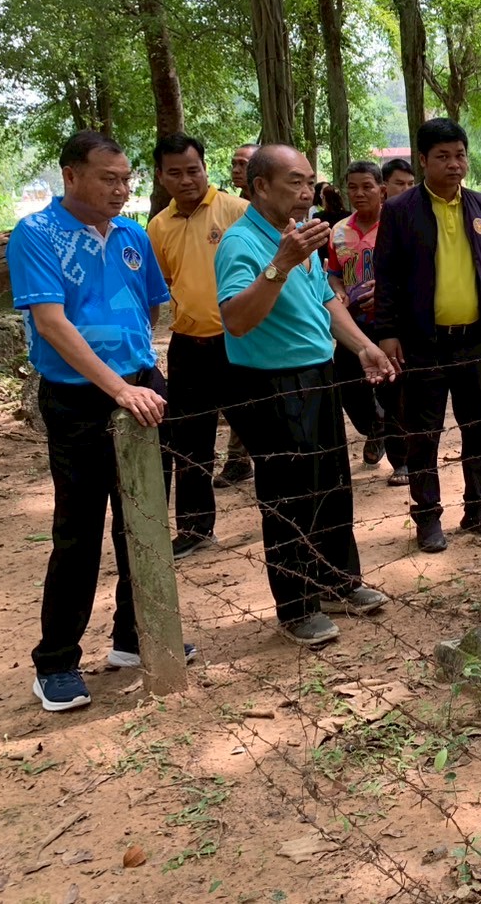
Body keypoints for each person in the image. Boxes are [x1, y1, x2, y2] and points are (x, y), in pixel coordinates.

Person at [8, 130, 189, 711]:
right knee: (79, 529)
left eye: (125, 178)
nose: (121, 189)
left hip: (142, 389)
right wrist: (116, 386)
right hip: (79, 401)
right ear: (71, 175)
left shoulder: (133, 234)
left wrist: (138, 374)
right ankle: (56, 662)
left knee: (144, 518)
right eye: (108, 178)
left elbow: (150, 305)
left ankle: (134, 637)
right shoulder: (37, 234)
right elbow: (52, 322)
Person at [216, 144, 395, 645]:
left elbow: (325, 301)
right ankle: (296, 606)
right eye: (294, 181)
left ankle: (337, 582)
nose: (306, 191)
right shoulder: (240, 243)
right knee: (288, 495)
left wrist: (363, 348)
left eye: (310, 181)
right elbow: (236, 319)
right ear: (260, 187)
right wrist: (280, 264)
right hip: (270, 383)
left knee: (332, 484)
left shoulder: (299, 234)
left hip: (318, 374)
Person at [373, 118, 481, 553]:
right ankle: (427, 517)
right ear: (423, 160)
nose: (454, 164)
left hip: (474, 341)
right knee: (424, 434)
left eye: (460, 155)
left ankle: (479, 508)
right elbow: (387, 276)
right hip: (423, 343)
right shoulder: (400, 211)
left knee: (477, 427)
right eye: (443, 156)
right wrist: (387, 332)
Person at [146, 133, 248, 559]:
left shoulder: (237, 210)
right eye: (175, 173)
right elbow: (166, 281)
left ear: (206, 168)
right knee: (189, 442)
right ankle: (195, 528)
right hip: (187, 346)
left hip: (241, 342)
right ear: (160, 176)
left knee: (265, 433)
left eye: (193, 170)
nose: (186, 180)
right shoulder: (158, 226)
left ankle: (287, 517)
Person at [326, 160, 407, 480]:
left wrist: (387, 289)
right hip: (352, 324)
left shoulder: (397, 225)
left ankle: (402, 461)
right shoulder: (338, 231)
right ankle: (375, 427)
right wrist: (338, 291)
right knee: (347, 384)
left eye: (367, 187)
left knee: (395, 390)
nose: (359, 193)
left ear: (381, 190)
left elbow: (416, 271)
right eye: (353, 187)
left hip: (391, 323)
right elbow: (333, 274)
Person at [215, 142, 258, 487]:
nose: (236, 169)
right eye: (234, 163)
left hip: (252, 322)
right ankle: (238, 458)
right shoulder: (226, 208)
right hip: (219, 319)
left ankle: (241, 457)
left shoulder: (250, 212)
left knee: (245, 396)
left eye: (244, 163)